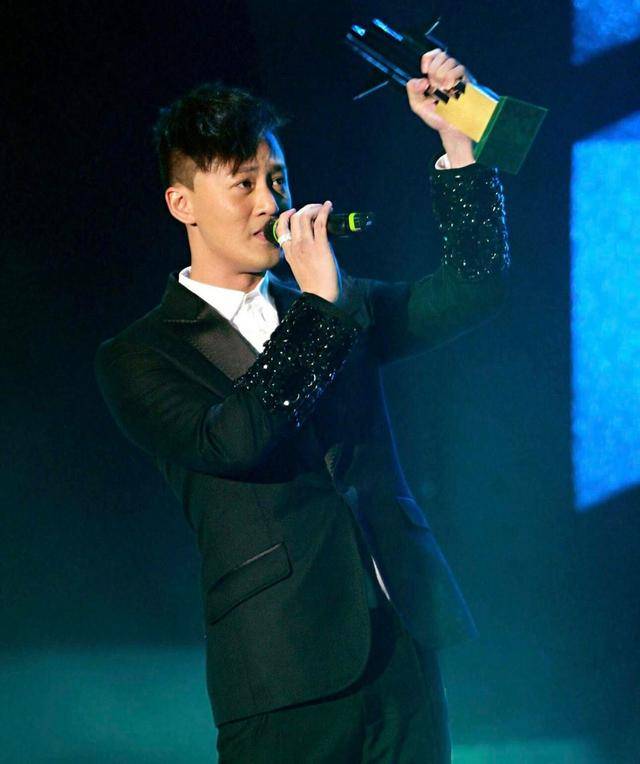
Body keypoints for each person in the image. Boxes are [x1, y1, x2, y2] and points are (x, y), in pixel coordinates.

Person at [95, 47, 510, 763]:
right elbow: (233, 440)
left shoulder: (334, 303)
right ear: (182, 203)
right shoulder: (140, 354)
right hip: (282, 672)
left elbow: (473, 290)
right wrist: (319, 305)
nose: (270, 202)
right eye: (244, 183)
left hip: (403, 644)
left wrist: (458, 142)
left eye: (277, 179)